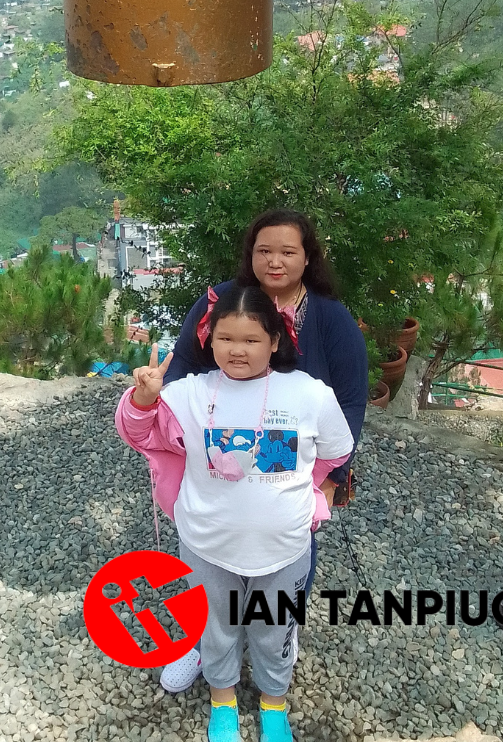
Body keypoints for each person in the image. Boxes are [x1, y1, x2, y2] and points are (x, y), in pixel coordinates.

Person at [116, 286, 353, 742]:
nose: (237, 350)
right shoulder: (187, 393)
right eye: (226, 339)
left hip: (283, 548)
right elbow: (137, 433)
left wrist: (308, 494)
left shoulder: (309, 394)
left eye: (251, 340)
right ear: (209, 339)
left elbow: (337, 451)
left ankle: (273, 705)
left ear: (276, 342)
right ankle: (222, 702)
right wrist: (144, 399)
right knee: (215, 626)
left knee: (274, 628)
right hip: (207, 544)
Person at [157, 210, 368, 693]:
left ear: (307, 257)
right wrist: (180, 426)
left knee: (288, 554)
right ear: (249, 254)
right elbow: (183, 365)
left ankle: (275, 643)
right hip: (220, 455)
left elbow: (351, 399)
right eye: (264, 250)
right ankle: (205, 644)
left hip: (294, 460)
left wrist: (332, 477)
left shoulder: (329, 317)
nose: (274, 261)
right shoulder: (221, 302)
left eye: (288, 251)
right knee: (211, 568)